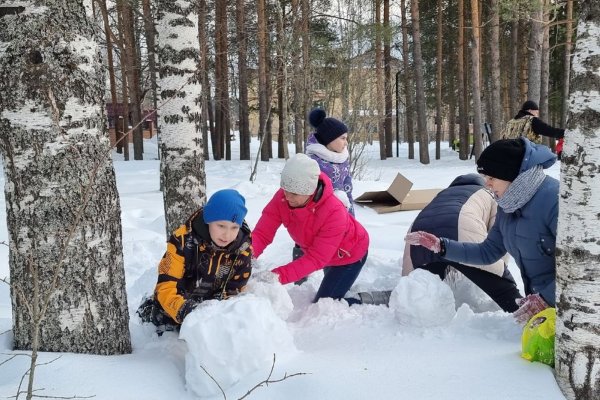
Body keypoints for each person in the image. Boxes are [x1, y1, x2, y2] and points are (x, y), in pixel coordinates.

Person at [405, 137, 558, 323]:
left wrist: (547, 298)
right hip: (545, 308)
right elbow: (488, 252)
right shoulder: (508, 204)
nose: (487, 184)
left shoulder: (555, 201)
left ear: (513, 175)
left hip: (572, 306)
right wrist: (443, 246)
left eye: (492, 177)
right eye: (485, 178)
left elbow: (585, 266)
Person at [252, 153, 371, 304]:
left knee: (326, 303)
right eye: (285, 189)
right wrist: (245, 255)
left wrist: (277, 276)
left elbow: (315, 258)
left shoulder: (334, 212)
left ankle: (367, 300)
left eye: (294, 193)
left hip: (350, 254)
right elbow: (262, 233)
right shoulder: (283, 196)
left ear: (310, 190)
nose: (287, 196)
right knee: (332, 288)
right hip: (325, 251)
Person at [137, 189, 253, 334]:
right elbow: (166, 286)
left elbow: (235, 290)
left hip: (211, 311)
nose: (227, 234)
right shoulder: (183, 242)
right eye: (221, 226)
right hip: (176, 306)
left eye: (234, 227)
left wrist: (218, 313)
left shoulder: (242, 251)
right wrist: (187, 311)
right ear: (208, 220)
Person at [402, 173, 522, 312]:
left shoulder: (442, 194)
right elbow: (499, 229)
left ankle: (406, 306)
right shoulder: (489, 194)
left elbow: (413, 235)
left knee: (416, 288)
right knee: (504, 291)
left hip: (421, 235)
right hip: (462, 230)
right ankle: (524, 314)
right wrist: (501, 270)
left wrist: (406, 280)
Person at [306, 108, 354, 215]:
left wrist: (351, 218)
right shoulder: (312, 163)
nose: (346, 143)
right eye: (342, 138)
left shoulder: (343, 160)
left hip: (345, 215)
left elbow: (348, 191)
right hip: (321, 218)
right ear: (329, 139)